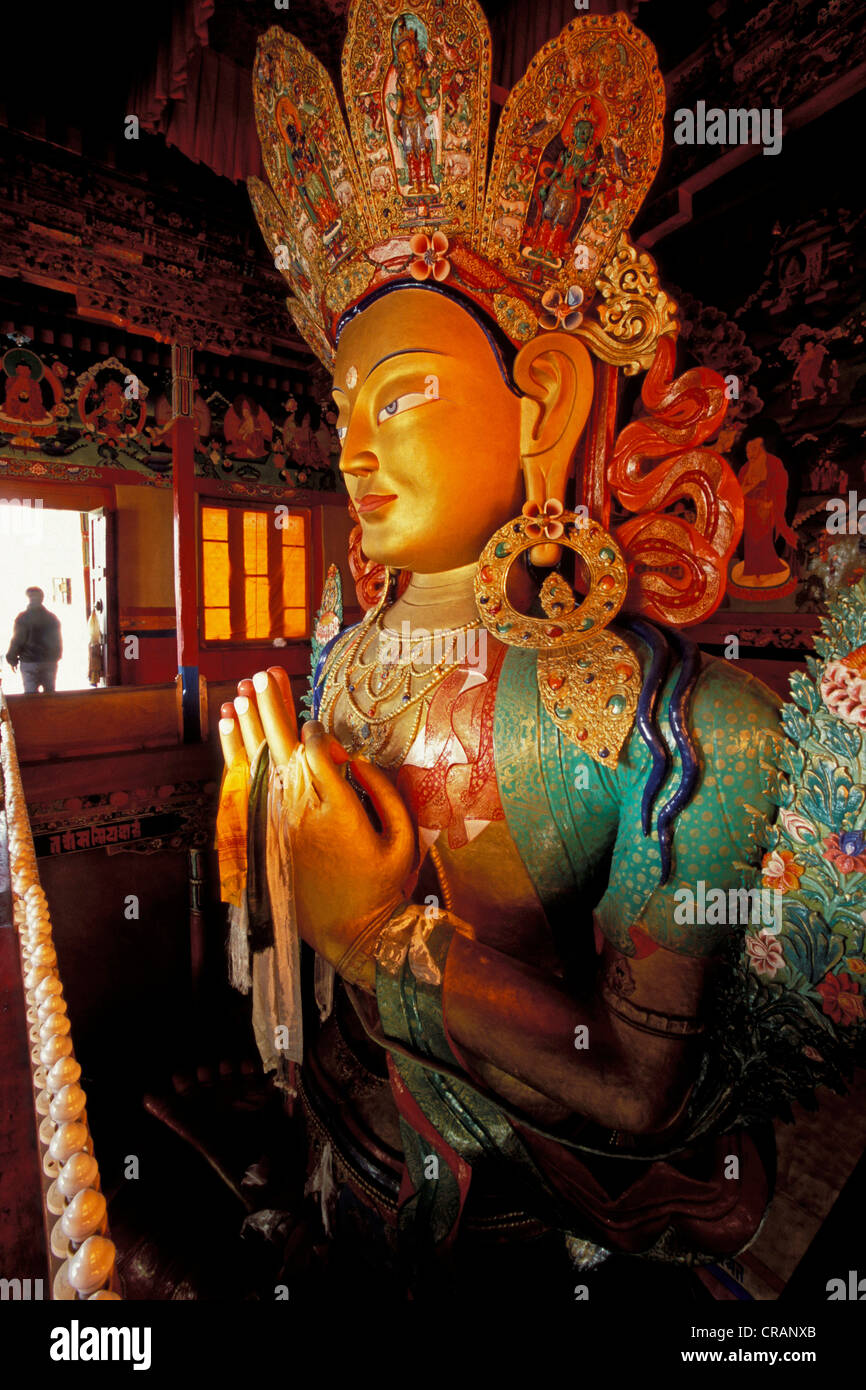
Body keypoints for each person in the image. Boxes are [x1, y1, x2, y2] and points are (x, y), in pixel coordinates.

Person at [6, 587, 62, 693]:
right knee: (50, 695)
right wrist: (55, 657)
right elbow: (58, 641)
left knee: (31, 698)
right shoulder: (52, 618)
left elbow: (17, 640)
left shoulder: (23, 618)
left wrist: (12, 658)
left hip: (29, 661)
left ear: (29, 598)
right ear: (42, 598)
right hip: (49, 661)